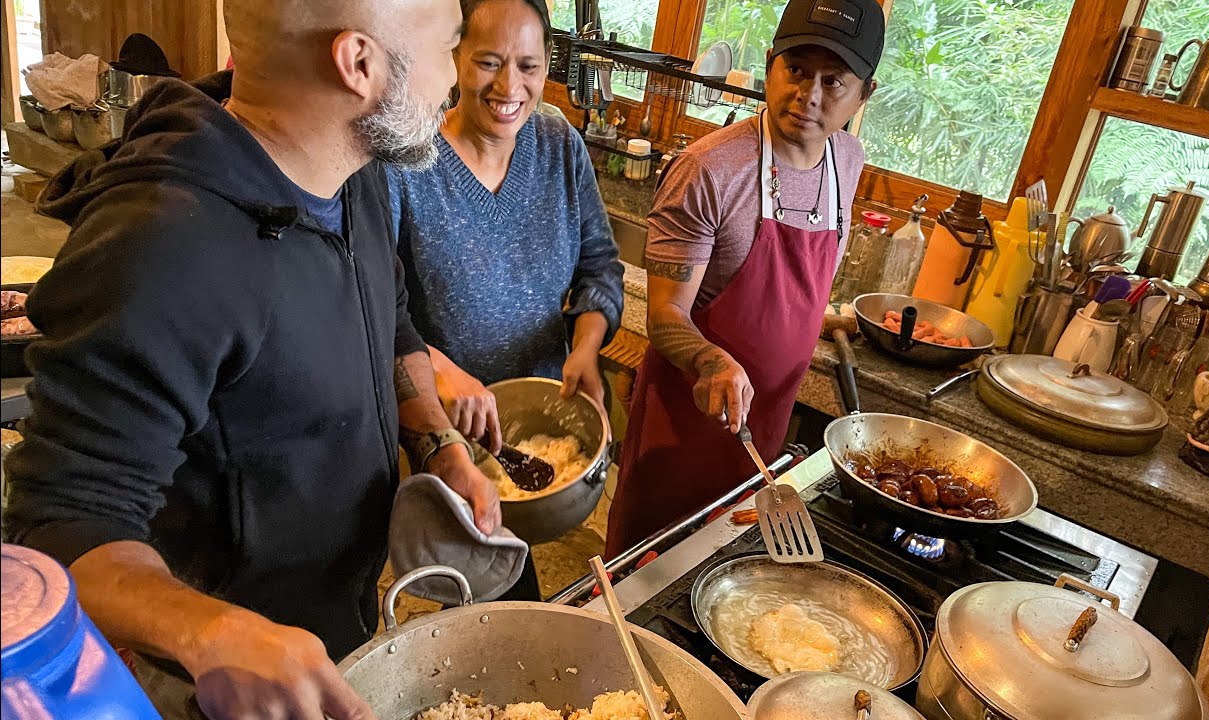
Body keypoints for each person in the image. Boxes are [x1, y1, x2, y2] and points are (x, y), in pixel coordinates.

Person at [1, 1, 491, 718]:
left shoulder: (355, 169)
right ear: (359, 64)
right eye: (450, 48)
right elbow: (57, 525)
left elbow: (391, 320)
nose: (455, 81)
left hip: (328, 623)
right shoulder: (162, 247)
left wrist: (438, 442)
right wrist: (209, 631)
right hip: (217, 680)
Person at [607, 0, 883, 557]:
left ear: (863, 96)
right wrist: (711, 359)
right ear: (770, 64)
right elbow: (664, 315)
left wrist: (818, 316)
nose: (809, 94)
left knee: (727, 571)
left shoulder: (848, 161)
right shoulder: (709, 170)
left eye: (834, 81)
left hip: (766, 426)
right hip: (682, 430)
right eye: (797, 69)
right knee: (645, 575)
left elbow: (805, 282)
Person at [387, 0, 622, 592]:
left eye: (528, 65)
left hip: (543, 411)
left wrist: (586, 346)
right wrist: (440, 370)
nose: (508, 86)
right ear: (455, 58)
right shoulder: (407, 162)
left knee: (512, 564)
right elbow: (371, 305)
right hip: (448, 423)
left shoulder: (558, 144)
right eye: (488, 61)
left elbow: (599, 264)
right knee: (473, 577)